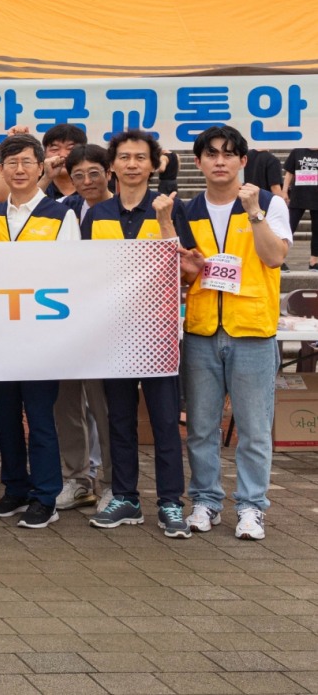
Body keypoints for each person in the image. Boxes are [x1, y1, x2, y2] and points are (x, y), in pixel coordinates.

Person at [179, 125, 291, 542]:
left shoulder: (267, 203)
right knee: (202, 427)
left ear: (244, 161)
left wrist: (255, 214)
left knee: (254, 428)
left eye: (229, 154)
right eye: (211, 154)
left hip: (252, 332)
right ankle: (206, 501)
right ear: (199, 163)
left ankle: (250, 507)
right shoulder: (188, 210)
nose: (220, 161)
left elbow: (275, 257)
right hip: (203, 330)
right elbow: (184, 273)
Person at [82, 128, 191, 537]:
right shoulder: (98, 215)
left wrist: (164, 221)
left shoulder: (171, 209)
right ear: (112, 166)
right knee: (120, 420)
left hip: (159, 332)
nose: (131, 164)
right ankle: (126, 497)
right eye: (124, 157)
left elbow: (185, 268)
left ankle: (169, 503)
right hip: (114, 333)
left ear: (154, 164)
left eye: (140, 157)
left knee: (165, 421)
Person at [0, 134, 76, 529]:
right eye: (11, 163)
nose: (19, 170)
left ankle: (46, 495)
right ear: (0, 169)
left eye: (26, 163)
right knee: (4, 417)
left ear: (42, 168)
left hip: (41, 335)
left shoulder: (60, 215)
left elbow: (71, 273)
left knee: (39, 417)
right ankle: (15, 488)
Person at [54, 145, 115, 511]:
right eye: (79, 175)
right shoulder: (62, 213)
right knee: (66, 405)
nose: (87, 181)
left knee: (104, 407)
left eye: (95, 172)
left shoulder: (121, 212)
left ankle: (109, 481)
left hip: (104, 326)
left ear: (109, 172)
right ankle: (76, 478)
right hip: (63, 323)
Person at [282, 146, 318, 270]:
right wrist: (284, 191)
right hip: (298, 195)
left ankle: (314, 261)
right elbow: (289, 173)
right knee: (288, 226)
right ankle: (279, 258)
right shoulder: (297, 151)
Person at [40, 124, 88, 200]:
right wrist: (47, 178)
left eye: (70, 149)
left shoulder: (94, 185)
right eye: (55, 149)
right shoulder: (35, 183)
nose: (63, 155)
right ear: (44, 154)